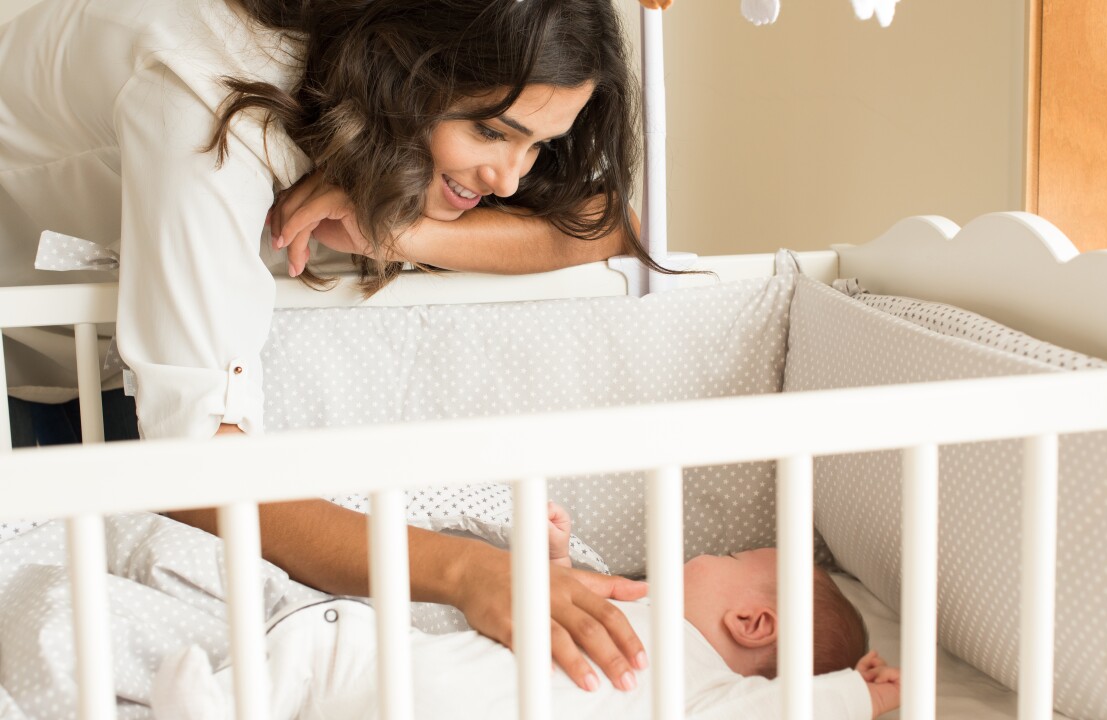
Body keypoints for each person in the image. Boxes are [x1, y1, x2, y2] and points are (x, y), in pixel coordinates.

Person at [0, 0, 680, 692]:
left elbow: (614, 224)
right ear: (410, 67)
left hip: (121, 353)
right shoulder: (204, 99)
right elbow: (199, 473)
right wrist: (467, 572)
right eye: (491, 132)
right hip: (25, 340)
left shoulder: (392, 108)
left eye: (537, 145)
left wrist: (402, 234)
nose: (509, 178)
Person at [151, 505, 903, 719]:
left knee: (331, 651)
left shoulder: (712, 692)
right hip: (435, 687)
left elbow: (787, 713)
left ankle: (222, 706)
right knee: (336, 653)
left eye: (735, 562)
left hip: (432, 686)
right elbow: (546, 612)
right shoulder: (637, 621)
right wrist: (552, 564)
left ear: (753, 623)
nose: (712, 555)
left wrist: (860, 697)